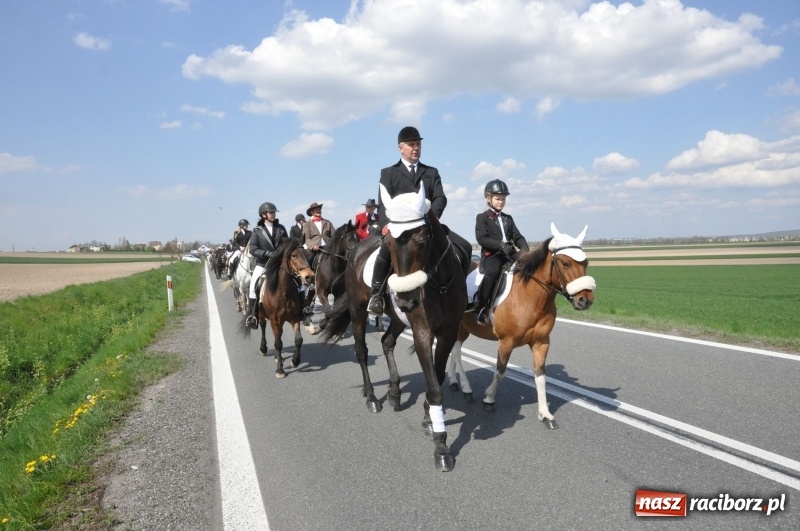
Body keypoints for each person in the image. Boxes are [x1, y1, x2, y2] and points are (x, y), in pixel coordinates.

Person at [368, 126, 472, 315]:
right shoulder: (389, 173)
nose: (416, 148)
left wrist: (436, 215)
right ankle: (376, 295)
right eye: (411, 145)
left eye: (418, 144)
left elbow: (440, 197)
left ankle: (459, 291)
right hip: (400, 228)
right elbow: (383, 204)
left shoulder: (431, 172)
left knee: (465, 246)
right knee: (384, 251)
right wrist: (385, 225)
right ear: (401, 148)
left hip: (428, 225)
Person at [473, 179, 529, 325]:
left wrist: (524, 248)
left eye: (503, 199)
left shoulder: (508, 218)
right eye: (498, 199)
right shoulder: (482, 218)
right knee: (493, 271)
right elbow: (482, 239)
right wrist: (500, 245)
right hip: (492, 256)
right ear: (488, 198)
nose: (501, 202)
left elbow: (518, 237)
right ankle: (482, 308)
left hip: (510, 254)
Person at [245, 202, 288, 329]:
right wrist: (266, 253)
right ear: (264, 215)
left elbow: (286, 244)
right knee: (253, 287)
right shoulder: (257, 231)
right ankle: (253, 316)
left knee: (299, 283)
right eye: (271, 212)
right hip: (263, 264)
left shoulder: (281, 228)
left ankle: (304, 309)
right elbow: (253, 249)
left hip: (280, 264)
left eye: (274, 212)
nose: (273, 214)